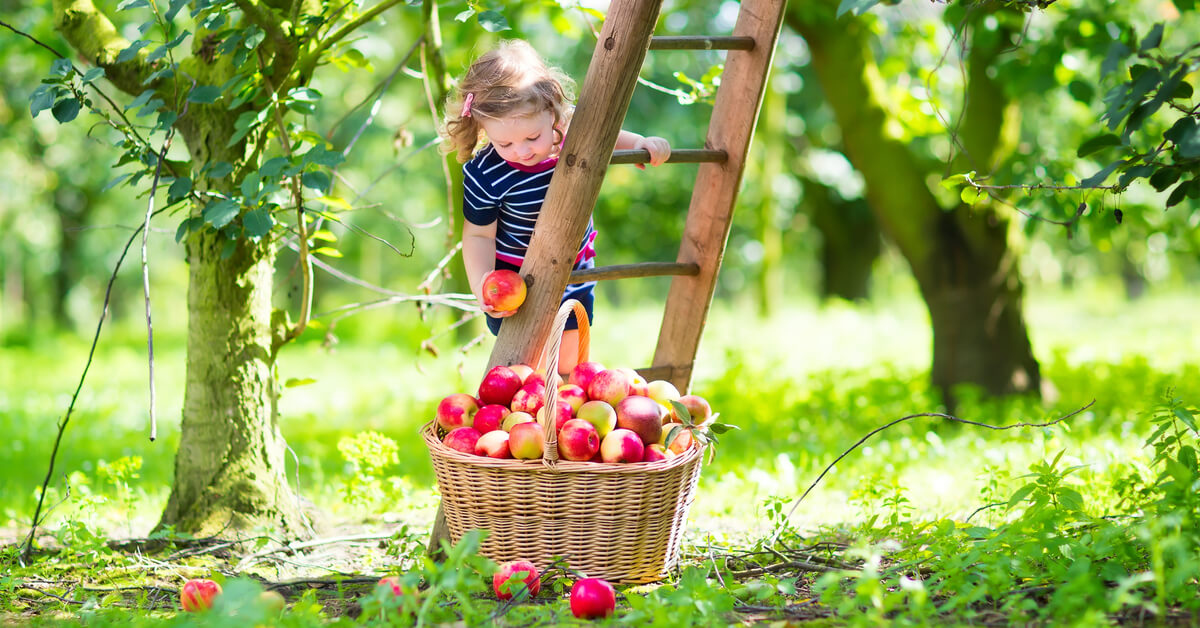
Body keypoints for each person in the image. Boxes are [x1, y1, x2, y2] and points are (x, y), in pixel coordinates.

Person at [439, 40, 671, 375]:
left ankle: (561, 412)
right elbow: (477, 235)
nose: (521, 150)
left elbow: (606, 134)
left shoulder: (568, 133)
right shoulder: (484, 174)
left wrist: (639, 144)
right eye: (504, 143)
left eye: (532, 137)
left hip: (573, 269)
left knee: (569, 364)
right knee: (523, 365)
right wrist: (482, 286)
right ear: (483, 128)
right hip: (517, 278)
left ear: (552, 111)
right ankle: (529, 420)